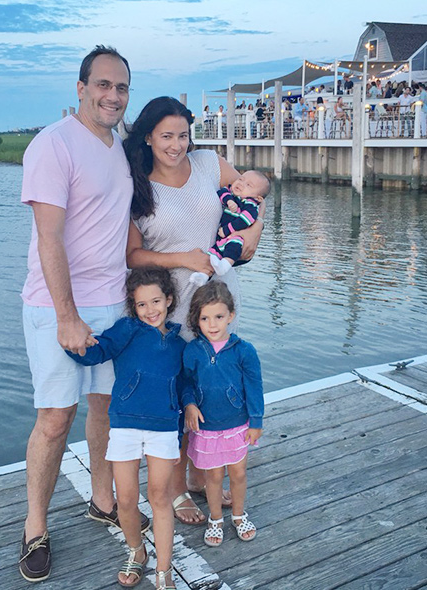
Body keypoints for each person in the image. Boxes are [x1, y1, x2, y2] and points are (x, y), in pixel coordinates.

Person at [18, 45, 150, 583]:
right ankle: (33, 527)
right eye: (103, 85)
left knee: (105, 407)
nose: (112, 95)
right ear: (81, 88)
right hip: (58, 307)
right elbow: (48, 236)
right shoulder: (53, 144)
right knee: (55, 419)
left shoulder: (120, 147)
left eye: (121, 87)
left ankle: (104, 501)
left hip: (113, 301)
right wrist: (68, 316)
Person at [123, 96, 264, 526]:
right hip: (170, 307)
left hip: (217, 302)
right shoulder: (138, 186)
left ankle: (208, 475)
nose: (176, 144)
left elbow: (252, 198)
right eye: (166, 136)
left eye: (183, 135)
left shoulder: (209, 163)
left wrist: (252, 237)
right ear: (148, 137)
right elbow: (133, 256)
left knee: (216, 392)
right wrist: (182, 257)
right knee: (181, 402)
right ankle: (179, 488)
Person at [66, 267, 185, 589]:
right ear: (133, 306)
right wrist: (73, 341)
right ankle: (137, 550)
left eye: (156, 301)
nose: (150, 310)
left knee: (160, 497)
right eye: (142, 304)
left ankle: (164, 569)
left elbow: (185, 388)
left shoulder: (180, 344)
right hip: (124, 427)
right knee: (127, 500)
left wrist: (183, 423)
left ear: (169, 300)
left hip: (163, 430)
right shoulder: (127, 330)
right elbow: (98, 351)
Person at [182, 282, 263, 547]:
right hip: (207, 427)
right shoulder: (193, 351)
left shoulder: (244, 351)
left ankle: (238, 515)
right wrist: (190, 404)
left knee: (238, 473)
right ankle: (215, 519)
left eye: (219, 317)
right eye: (205, 318)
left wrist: (256, 421)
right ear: (197, 319)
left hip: (238, 425)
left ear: (231, 315)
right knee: (213, 477)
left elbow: (254, 387)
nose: (212, 324)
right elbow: (185, 383)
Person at [189, 171, 271, 286]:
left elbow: (245, 220)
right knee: (212, 255)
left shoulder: (250, 204)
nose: (241, 184)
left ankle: (225, 264)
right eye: (241, 179)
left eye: (249, 185)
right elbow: (221, 193)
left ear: (258, 198)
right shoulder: (231, 194)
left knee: (234, 246)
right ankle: (203, 276)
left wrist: (227, 230)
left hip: (235, 235)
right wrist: (229, 201)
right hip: (221, 238)